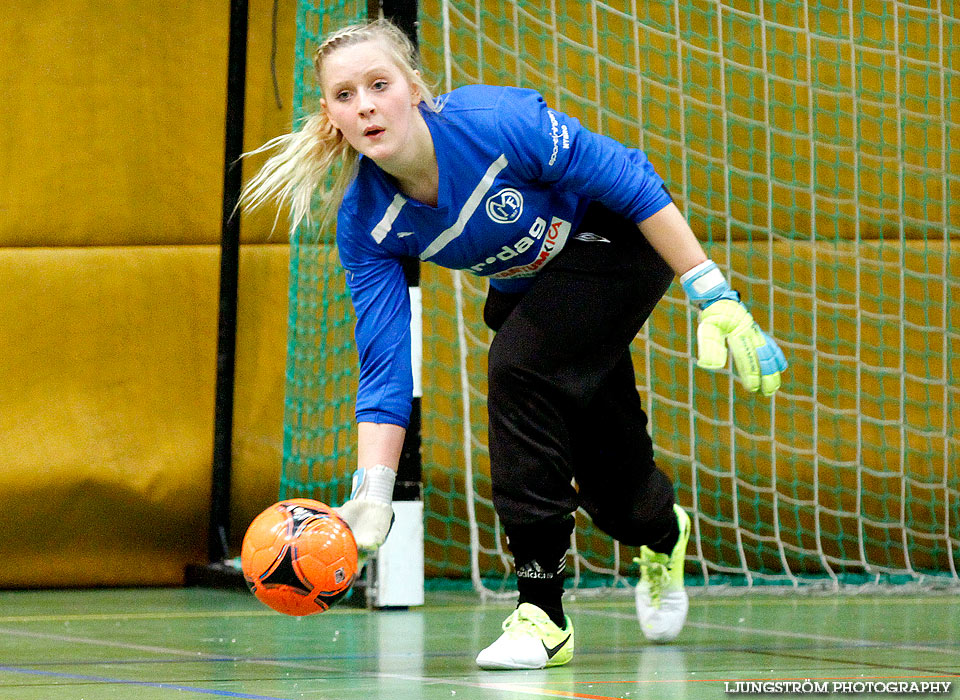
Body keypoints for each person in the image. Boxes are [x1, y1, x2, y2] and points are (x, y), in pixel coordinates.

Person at [241, 19, 786, 670]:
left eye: (379, 85)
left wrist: (713, 292)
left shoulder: (498, 122)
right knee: (620, 494)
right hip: (535, 288)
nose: (364, 105)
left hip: (618, 245)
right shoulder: (366, 223)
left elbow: (632, 179)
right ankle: (661, 531)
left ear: (414, 89)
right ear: (332, 117)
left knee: (519, 368)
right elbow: (385, 363)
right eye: (345, 95)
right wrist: (375, 490)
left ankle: (542, 613)